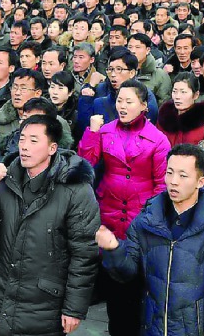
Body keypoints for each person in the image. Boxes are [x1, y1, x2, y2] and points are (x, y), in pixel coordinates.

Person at [0, 114, 101, 336]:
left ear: (52, 148)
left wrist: (74, 309)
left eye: (34, 141)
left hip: (46, 303)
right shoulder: (5, 178)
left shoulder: (75, 190)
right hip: (3, 294)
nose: (25, 147)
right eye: (22, 139)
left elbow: (84, 254)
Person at [95, 143, 204, 334]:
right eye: (170, 173)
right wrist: (114, 249)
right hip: (152, 327)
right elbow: (127, 274)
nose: (173, 181)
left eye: (183, 176)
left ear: (201, 181)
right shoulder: (146, 220)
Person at [78, 79, 170, 336]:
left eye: (129, 101)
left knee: (138, 285)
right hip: (109, 211)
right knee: (114, 284)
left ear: (144, 105)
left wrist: (149, 217)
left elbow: (162, 185)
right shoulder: (106, 130)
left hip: (141, 218)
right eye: (119, 100)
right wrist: (92, 132)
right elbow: (86, 163)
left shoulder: (158, 139)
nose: (122, 106)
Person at [158, 72, 204, 147]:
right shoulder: (164, 118)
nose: (177, 96)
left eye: (183, 92)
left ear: (196, 95)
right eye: (174, 91)